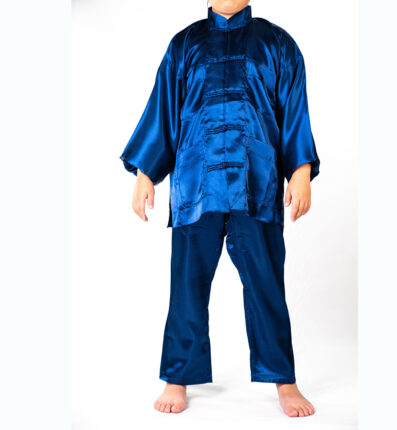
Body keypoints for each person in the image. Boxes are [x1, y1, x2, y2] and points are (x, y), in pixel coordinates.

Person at [120, 0, 320, 417]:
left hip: (256, 183)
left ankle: (284, 379)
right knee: (187, 286)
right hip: (197, 182)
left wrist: (300, 170)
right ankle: (178, 376)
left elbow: (293, 110)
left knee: (266, 285)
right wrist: (145, 173)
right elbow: (163, 110)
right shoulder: (185, 44)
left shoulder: (277, 44)